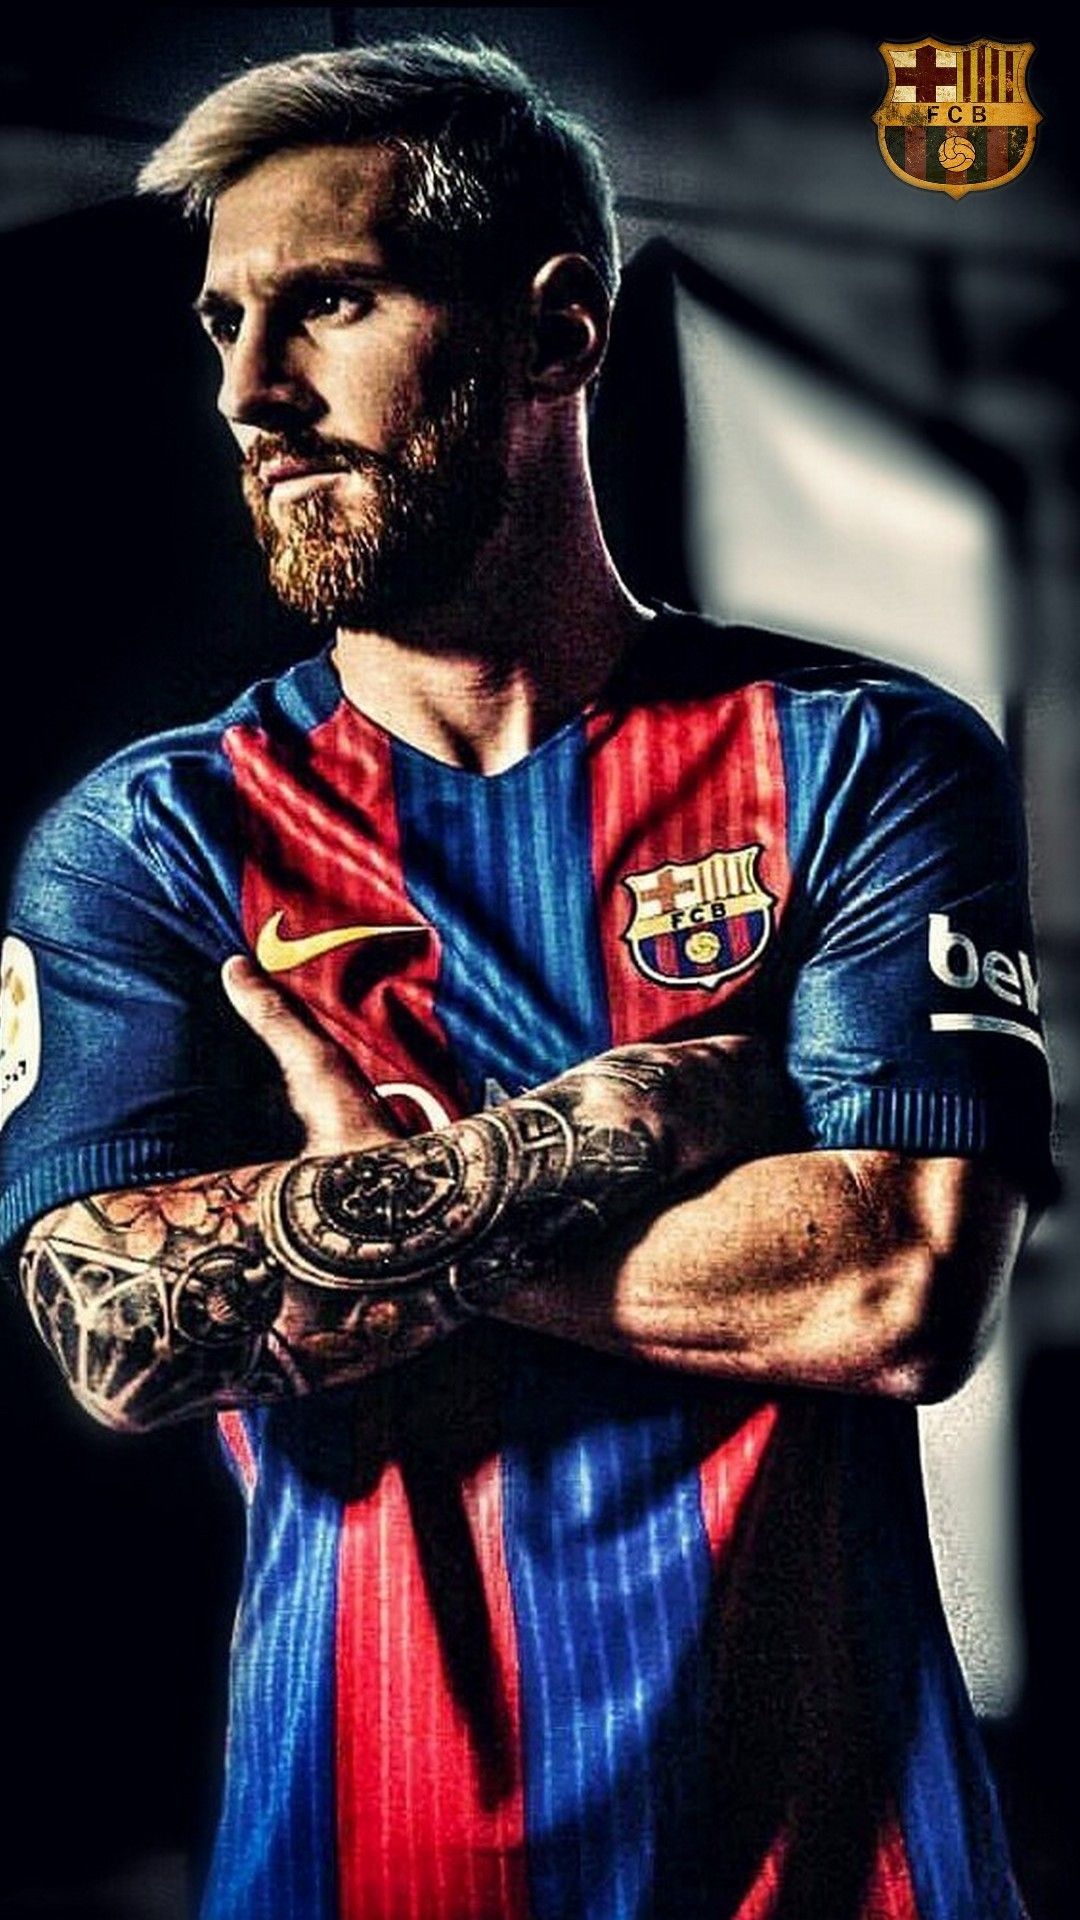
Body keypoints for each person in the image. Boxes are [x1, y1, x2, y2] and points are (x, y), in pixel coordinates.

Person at [0, 37, 1055, 1920]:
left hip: (833, 1861)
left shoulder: (862, 759)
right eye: (226, 321)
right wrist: (612, 1126)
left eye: (332, 302)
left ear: (557, 332)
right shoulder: (153, 840)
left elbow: (896, 1281)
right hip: (356, 1856)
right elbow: (120, 1330)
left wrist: (348, 1225)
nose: (251, 390)